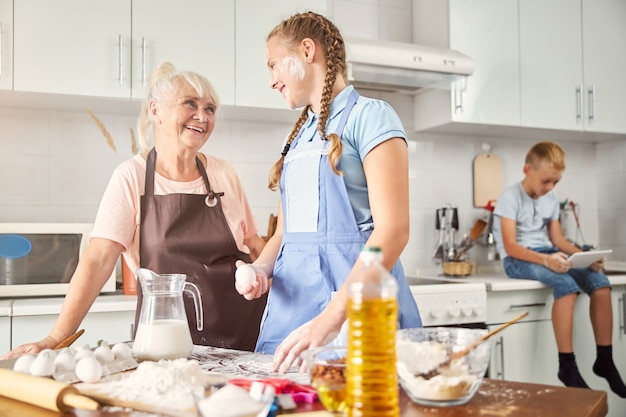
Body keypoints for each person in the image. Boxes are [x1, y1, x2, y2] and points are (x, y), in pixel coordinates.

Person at [2, 62, 267, 359]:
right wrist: (55, 338)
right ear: (155, 110)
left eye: (210, 108)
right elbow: (98, 260)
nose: (202, 116)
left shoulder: (224, 174)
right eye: (190, 104)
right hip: (166, 345)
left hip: (243, 341)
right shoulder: (131, 176)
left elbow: (256, 248)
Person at [234, 11, 422, 373]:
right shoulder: (300, 134)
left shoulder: (371, 117)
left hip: (354, 309)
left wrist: (333, 317)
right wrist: (260, 268)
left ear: (307, 51)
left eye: (275, 65)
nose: (272, 80)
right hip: (292, 312)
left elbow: (393, 230)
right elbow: (286, 233)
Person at [492, 140, 626, 396]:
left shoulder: (550, 198)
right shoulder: (509, 198)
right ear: (527, 169)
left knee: (600, 283)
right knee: (567, 286)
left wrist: (584, 256)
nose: (550, 187)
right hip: (519, 260)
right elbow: (510, 246)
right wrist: (546, 260)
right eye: (545, 181)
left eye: (555, 182)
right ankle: (567, 365)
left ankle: (605, 360)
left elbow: (558, 241)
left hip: (548, 253)